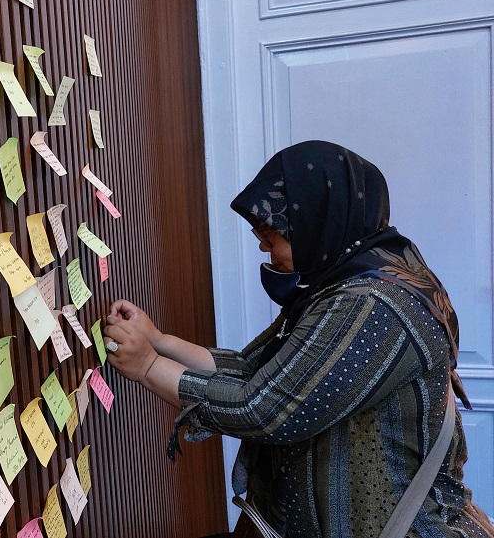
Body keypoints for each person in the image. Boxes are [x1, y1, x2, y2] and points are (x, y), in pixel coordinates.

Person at [103, 141, 494, 537]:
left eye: (272, 236)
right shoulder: (348, 280)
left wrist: (148, 367)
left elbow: (264, 408)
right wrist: (159, 340)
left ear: (318, 223)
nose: (262, 246)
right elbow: (256, 370)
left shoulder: (374, 304)